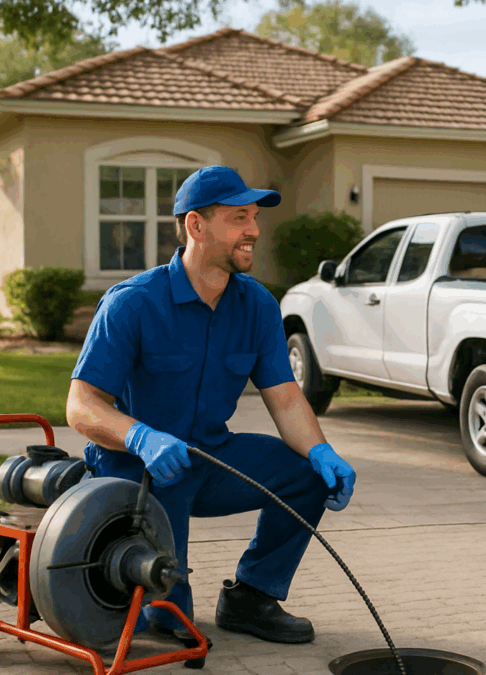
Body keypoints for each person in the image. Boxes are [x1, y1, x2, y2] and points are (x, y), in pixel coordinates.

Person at [65, 165, 357, 645]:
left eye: (255, 217)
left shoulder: (258, 306)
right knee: (169, 617)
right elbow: (81, 406)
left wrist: (321, 451)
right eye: (239, 218)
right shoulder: (132, 303)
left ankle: (252, 597)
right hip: (137, 471)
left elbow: (285, 398)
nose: (254, 230)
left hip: (209, 457)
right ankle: (158, 598)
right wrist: (141, 436)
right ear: (196, 226)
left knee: (308, 473)